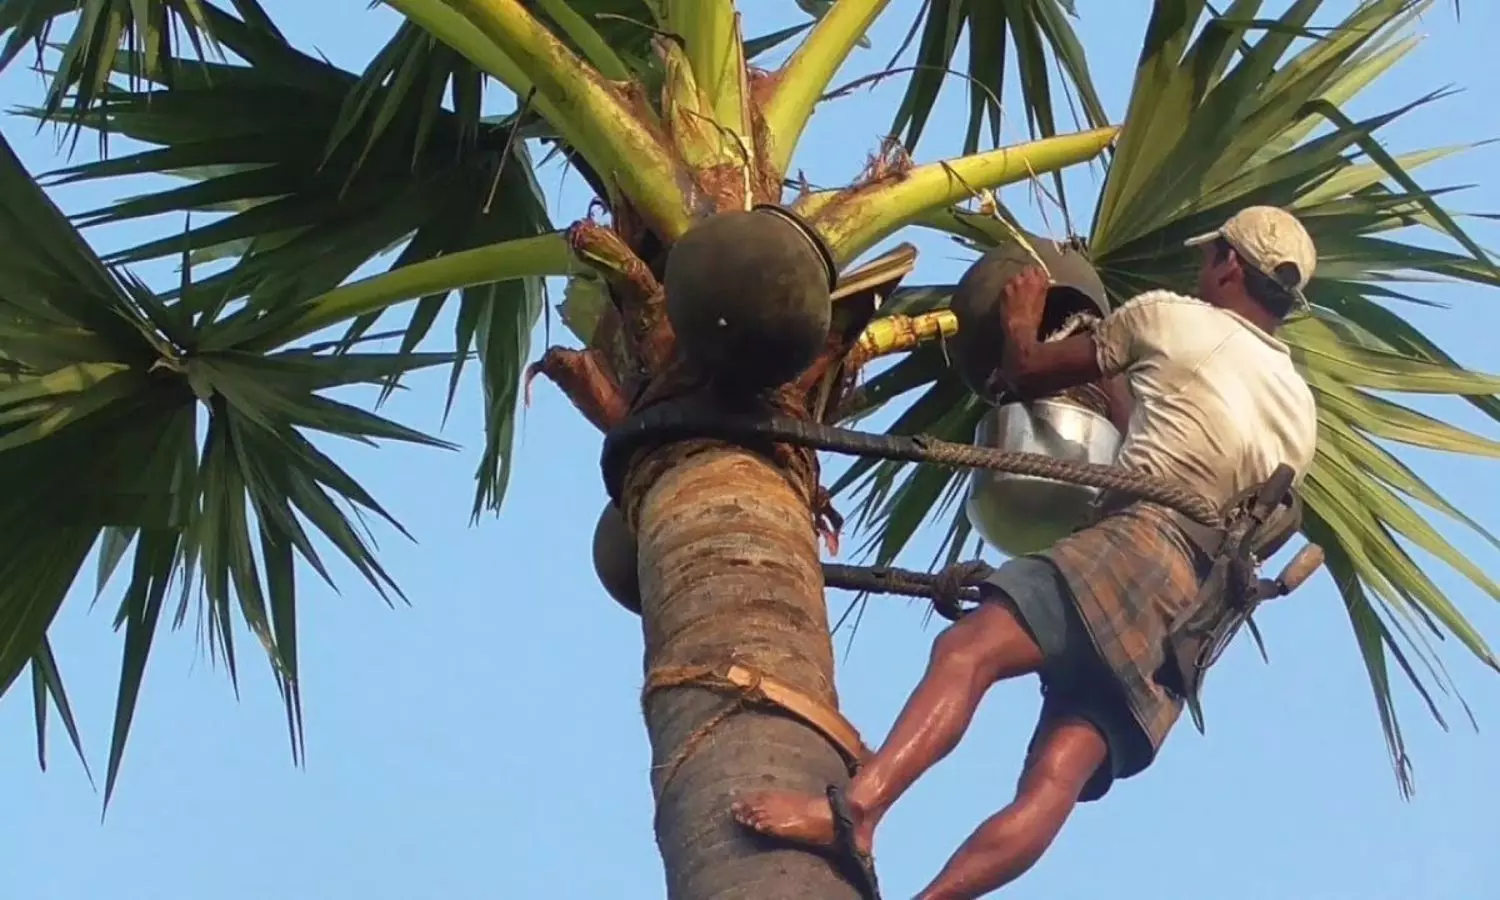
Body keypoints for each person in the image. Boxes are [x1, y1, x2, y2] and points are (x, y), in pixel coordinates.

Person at [730, 206, 1321, 899]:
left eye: (1208, 258)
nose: (1200, 270)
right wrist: (1122, 402)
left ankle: (856, 811)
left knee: (967, 654)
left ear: (1227, 265)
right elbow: (1191, 449)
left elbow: (1026, 372)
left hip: (1135, 546)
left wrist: (1022, 311)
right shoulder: (1299, 409)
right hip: (1189, 615)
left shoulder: (1172, 318)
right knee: (1054, 777)